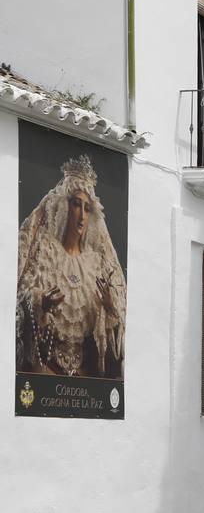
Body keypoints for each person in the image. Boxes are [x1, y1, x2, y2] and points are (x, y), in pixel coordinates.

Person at [15, 156, 126, 379]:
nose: (82, 214)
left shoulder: (95, 263)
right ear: (64, 207)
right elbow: (21, 295)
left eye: (87, 208)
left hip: (84, 372)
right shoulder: (46, 251)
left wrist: (109, 306)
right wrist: (40, 303)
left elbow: (113, 329)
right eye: (76, 204)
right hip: (46, 367)